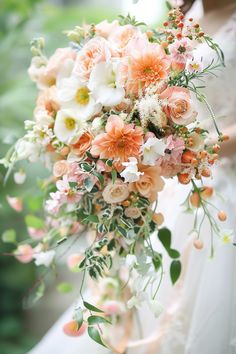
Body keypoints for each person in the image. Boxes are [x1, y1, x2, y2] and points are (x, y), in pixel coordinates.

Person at [28, 0, 236, 353]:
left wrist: (192, 147)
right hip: (176, 183)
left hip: (219, 186)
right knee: (135, 300)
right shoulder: (186, 17)